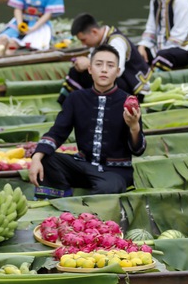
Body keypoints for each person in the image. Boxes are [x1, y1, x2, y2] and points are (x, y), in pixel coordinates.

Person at [28, 45, 146, 198]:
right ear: (90, 69)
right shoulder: (75, 98)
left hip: (115, 172)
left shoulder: (128, 101)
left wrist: (134, 126)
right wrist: (36, 157)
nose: (104, 70)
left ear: (117, 72)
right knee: (47, 159)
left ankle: (89, 213)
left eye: (110, 65)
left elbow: (138, 150)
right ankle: (61, 199)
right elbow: (57, 132)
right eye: (98, 64)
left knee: (108, 186)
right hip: (82, 166)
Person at [58, 13, 150, 104]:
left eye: (83, 40)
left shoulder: (116, 41)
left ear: (94, 32)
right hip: (123, 81)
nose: (83, 44)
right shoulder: (100, 40)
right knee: (77, 71)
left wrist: (89, 64)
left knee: (87, 74)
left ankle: (74, 102)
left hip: (134, 89)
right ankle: (72, 102)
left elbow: (117, 70)